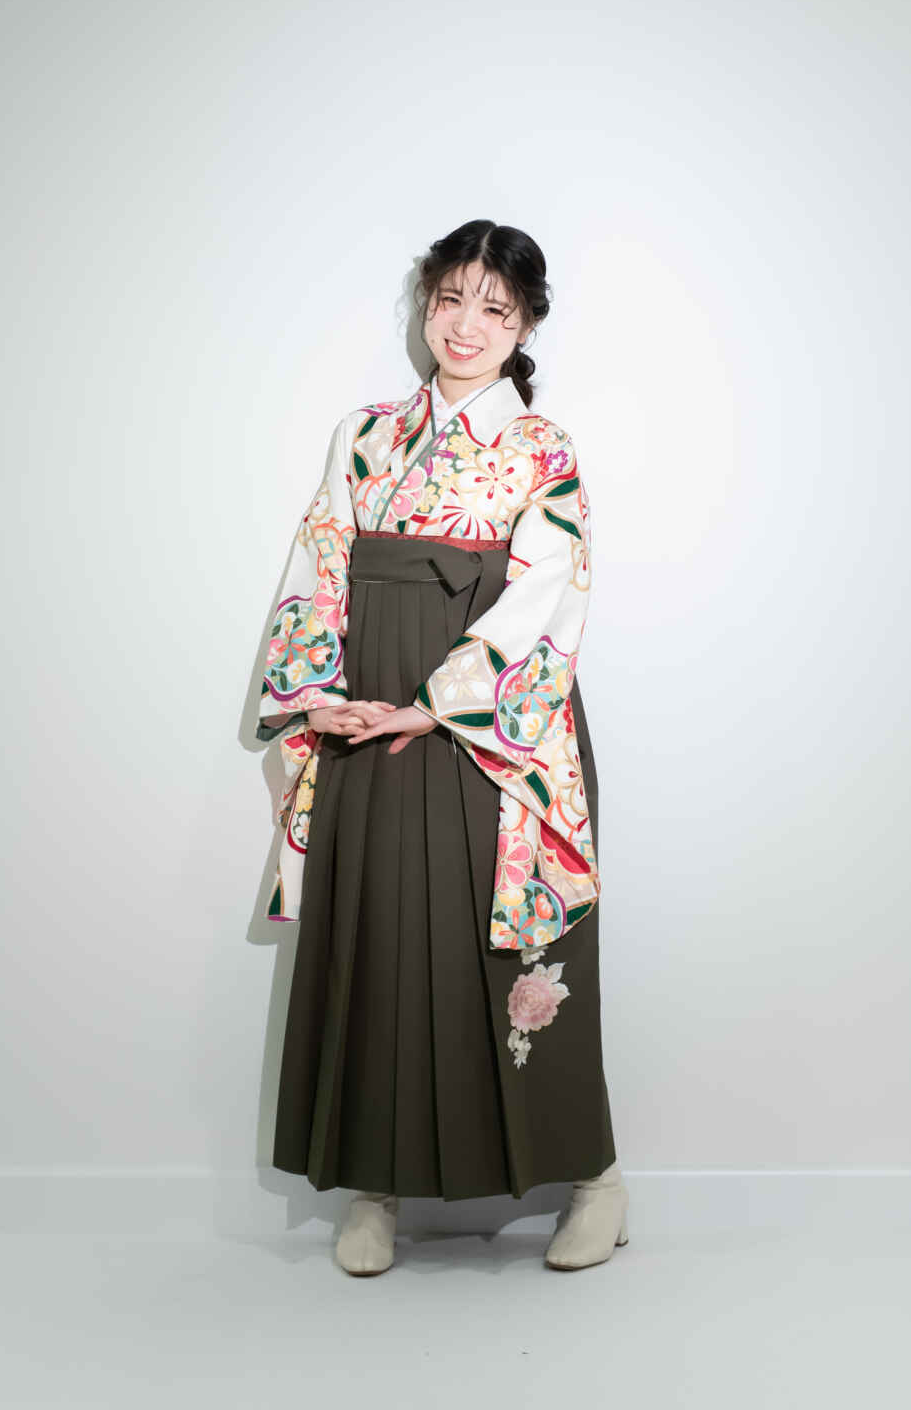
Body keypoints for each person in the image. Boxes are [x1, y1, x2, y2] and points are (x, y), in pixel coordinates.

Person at [255, 220, 628, 1275]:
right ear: (426, 303)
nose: (466, 326)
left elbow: (549, 592)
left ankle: (596, 1181)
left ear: (527, 325)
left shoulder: (541, 448)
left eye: (495, 309)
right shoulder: (367, 433)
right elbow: (322, 559)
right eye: (450, 299)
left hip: (487, 727)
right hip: (366, 708)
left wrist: (436, 705)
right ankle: (373, 1188)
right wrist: (318, 695)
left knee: (507, 952)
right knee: (377, 936)